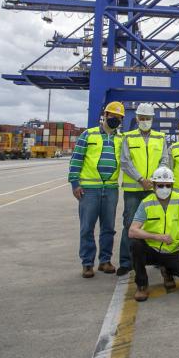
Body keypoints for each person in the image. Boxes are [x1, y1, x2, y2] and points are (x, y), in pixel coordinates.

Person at [68, 101, 125, 278]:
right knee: (87, 227)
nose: (115, 119)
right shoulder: (88, 135)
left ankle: (105, 261)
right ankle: (87, 263)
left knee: (108, 227)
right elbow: (76, 160)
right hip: (89, 189)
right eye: (112, 116)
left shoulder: (121, 139)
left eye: (119, 117)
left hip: (111, 189)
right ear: (105, 115)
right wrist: (75, 183)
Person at [127, 166, 179, 302]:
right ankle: (142, 285)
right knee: (135, 244)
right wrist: (156, 237)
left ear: (172, 185)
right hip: (151, 250)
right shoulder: (146, 203)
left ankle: (167, 271)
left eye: (168, 185)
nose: (164, 188)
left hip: (172, 250)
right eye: (160, 185)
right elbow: (132, 231)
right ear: (153, 186)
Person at [117, 103, 169, 276]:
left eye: (148, 118)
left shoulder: (160, 138)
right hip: (133, 189)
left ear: (152, 119)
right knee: (130, 224)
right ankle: (126, 261)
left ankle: (156, 257)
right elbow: (125, 161)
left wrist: (153, 180)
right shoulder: (128, 137)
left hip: (153, 188)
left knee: (155, 222)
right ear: (137, 118)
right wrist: (140, 179)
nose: (145, 121)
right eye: (142, 118)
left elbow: (164, 160)